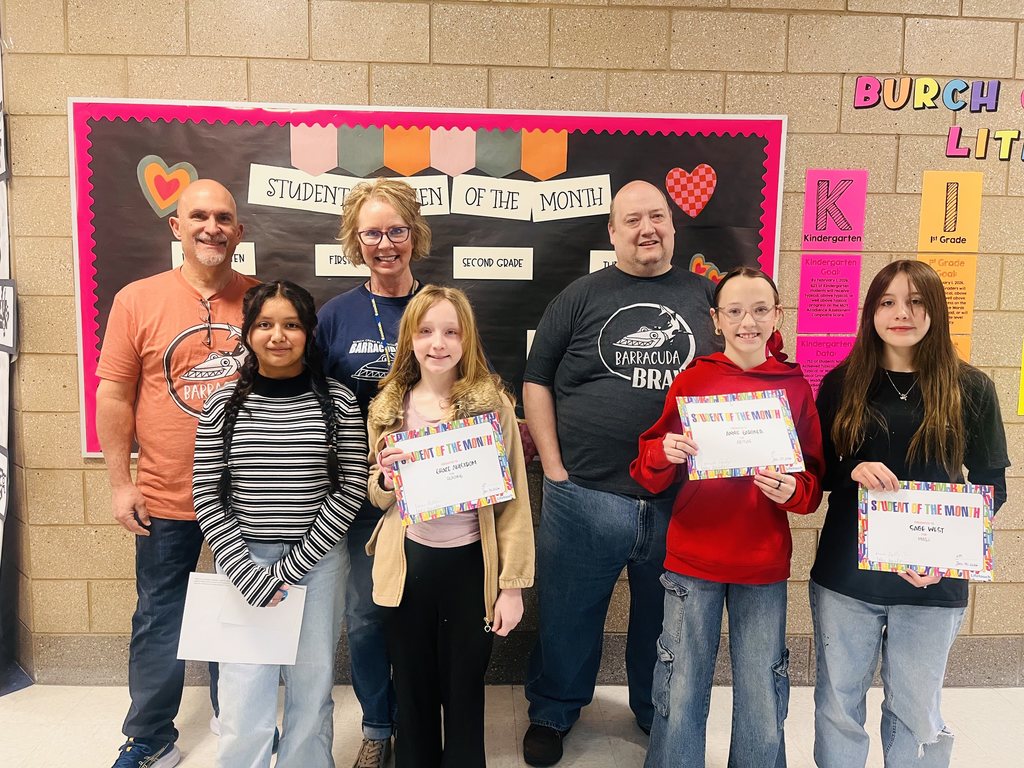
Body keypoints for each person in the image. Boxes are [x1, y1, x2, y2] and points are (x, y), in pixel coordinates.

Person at [522, 179, 720, 766]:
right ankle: (553, 711)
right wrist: (553, 470)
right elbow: (535, 380)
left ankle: (653, 709)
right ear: (612, 233)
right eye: (631, 220)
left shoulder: (709, 297)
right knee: (567, 614)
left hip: (680, 500)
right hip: (583, 494)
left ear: (673, 225)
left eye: (656, 216)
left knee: (665, 620)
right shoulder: (580, 296)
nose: (646, 229)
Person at [809, 260, 1009, 768]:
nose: (902, 313)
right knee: (838, 705)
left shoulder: (972, 387)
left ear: (935, 310)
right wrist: (852, 468)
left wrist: (946, 555)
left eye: (916, 301)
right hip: (846, 577)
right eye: (888, 301)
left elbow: (990, 485)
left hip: (931, 582)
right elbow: (820, 474)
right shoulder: (841, 383)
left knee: (916, 710)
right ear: (871, 311)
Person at [631, 267, 824, 768]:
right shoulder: (694, 379)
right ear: (716, 319)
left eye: (760, 310)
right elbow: (649, 468)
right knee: (682, 682)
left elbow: (812, 486)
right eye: (734, 311)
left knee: (763, 688)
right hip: (693, 557)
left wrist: (792, 490)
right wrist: (664, 452)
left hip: (761, 562)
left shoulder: (795, 388)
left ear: (777, 315)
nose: (748, 322)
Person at [96, 179, 259, 768]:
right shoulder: (137, 300)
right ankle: (150, 734)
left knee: (243, 612)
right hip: (164, 493)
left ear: (239, 232)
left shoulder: (264, 302)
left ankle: (240, 719)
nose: (211, 227)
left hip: (250, 496)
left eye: (223, 218)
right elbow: (114, 394)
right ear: (176, 227)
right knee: (160, 612)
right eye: (198, 217)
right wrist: (121, 481)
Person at [193, 280, 367, 768]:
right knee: (244, 688)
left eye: (291, 324)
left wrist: (293, 566)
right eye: (265, 324)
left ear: (309, 332)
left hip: (318, 564)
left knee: (311, 686)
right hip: (244, 563)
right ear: (248, 332)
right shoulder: (222, 405)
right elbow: (207, 492)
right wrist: (248, 572)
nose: (278, 336)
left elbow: (350, 488)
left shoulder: (337, 401)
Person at [366, 285, 535, 768]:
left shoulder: (492, 408)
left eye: (450, 332)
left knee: (463, 691)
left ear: (467, 340)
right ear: (410, 339)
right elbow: (377, 495)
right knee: (413, 690)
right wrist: (387, 475)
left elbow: (514, 504)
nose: (437, 343)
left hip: (469, 567)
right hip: (408, 565)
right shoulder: (388, 408)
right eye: (425, 331)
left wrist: (512, 587)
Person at [317, 177, 430, 767]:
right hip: (362, 496)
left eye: (395, 231)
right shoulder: (336, 315)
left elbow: (471, 389)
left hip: (437, 490)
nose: (385, 244)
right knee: (365, 617)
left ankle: (420, 723)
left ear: (414, 234)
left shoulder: (440, 307)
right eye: (372, 234)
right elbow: (311, 402)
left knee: (424, 613)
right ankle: (378, 727)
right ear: (354, 240)